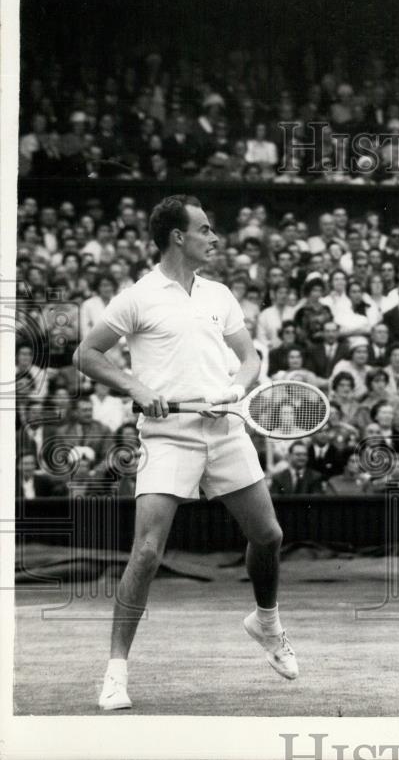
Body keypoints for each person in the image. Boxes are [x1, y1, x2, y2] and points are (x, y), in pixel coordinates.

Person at [74, 195, 297, 711]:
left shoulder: (219, 294)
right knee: (147, 552)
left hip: (225, 430)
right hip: (167, 435)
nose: (214, 238)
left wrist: (235, 389)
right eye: (205, 229)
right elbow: (86, 354)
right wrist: (136, 387)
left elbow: (249, 358)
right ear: (178, 237)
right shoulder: (137, 297)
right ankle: (115, 673)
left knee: (268, 536)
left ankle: (266, 623)